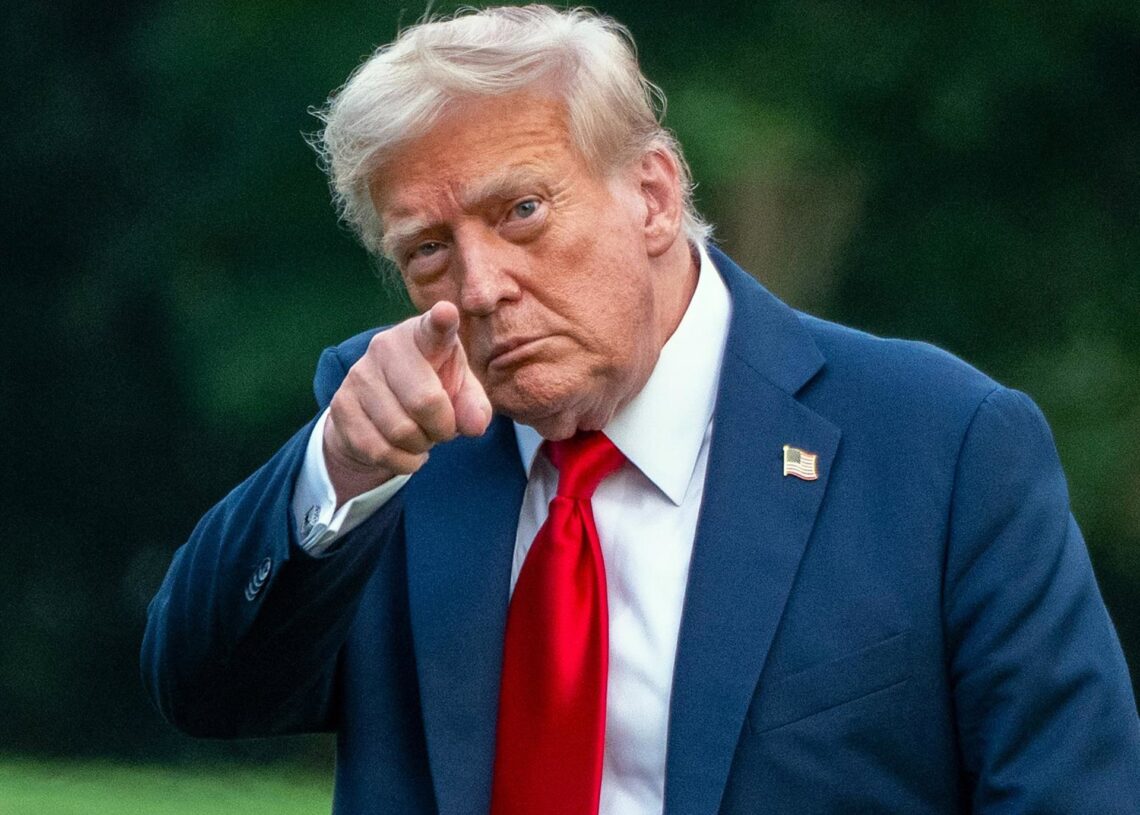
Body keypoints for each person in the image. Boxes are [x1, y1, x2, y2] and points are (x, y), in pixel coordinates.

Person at [141, 5, 1140, 814]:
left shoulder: (943, 443)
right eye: (428, 250)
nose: (479, 286)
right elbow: (206, 691)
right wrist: (340, 469)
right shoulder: (398, 430)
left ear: (653, 194)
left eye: (520, 211)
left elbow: (1067, 787)